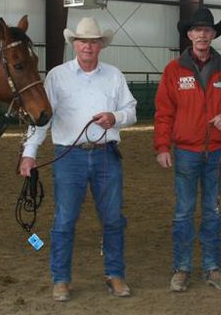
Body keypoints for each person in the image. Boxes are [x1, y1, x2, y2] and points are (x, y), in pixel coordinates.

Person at [19, 17, 137, 302]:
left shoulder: (114, 75)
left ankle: (115, 274)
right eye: (83, 41)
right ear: (75, 44)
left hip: (107, 155)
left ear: (100, 46)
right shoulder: (57, 76)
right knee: (64, 221)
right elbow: (43, 119)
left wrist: (116, 117)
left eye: (93, 42)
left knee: (113, 219)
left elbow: (132, 111)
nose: (88, 46)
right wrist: (29, 152)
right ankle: (60, 279)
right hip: (68, 156)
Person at [154, 7, 221, 292]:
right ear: (189, 35)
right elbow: (164, 111)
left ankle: (213, 268)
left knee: (213, 211)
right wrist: (162, 146)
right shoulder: (173, 70)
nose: (202, 35)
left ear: (213, 34)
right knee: (183, 211)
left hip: (217, 152)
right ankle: (181, 268)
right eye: (197, 30)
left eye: (207, 30)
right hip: (185, 152)